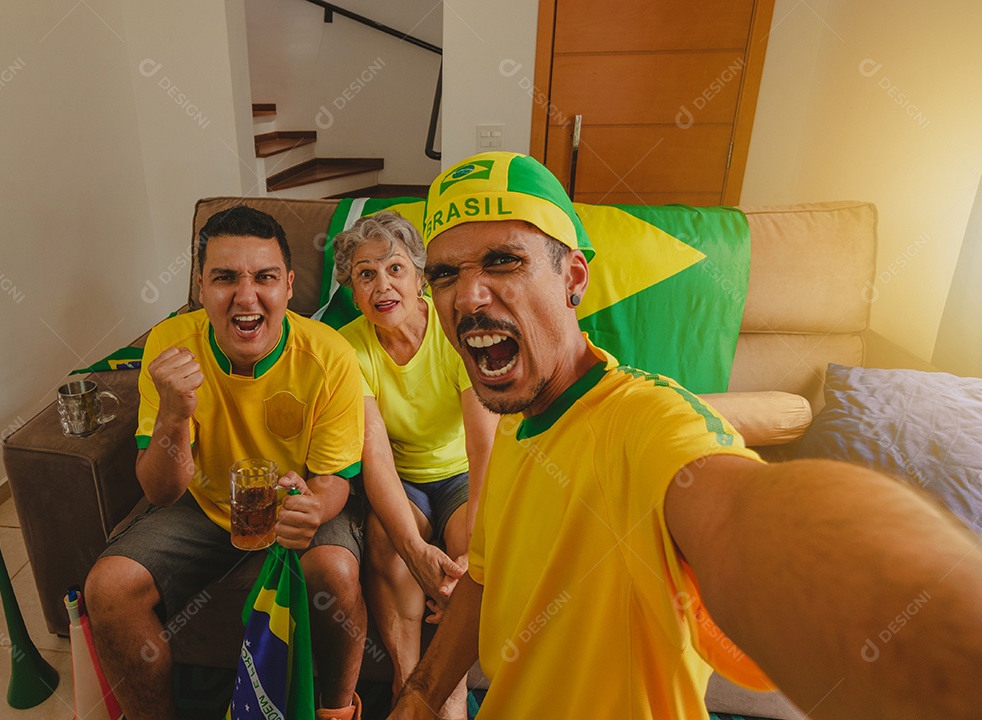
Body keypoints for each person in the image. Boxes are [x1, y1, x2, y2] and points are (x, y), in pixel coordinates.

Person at [388, 151, 982, 720]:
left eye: (502, 261)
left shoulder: (646, 421)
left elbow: (744, 517)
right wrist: (419, 696)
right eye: (444, 275)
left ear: (573, 277)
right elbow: (484, 581)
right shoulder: (515, 424)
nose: (466, 297)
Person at [86, 205, 369, 720]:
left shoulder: (329, 355)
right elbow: (161, 491)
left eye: (264, 278)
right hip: (201, 503)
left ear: (287, 285)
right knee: (108, 587)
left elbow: (333, 479)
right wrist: (174, 412)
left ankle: (335, 712)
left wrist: (313, 505)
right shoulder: (171, 346)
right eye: (224, 278)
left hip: (291, 502)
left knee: (335, 569)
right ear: (200, 288)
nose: (245, 297)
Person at [332, 211, 497, 716]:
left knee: (468, 546)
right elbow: (375, 455)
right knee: (386, 545)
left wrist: (478, 559)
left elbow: (483, 447)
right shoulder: (348, 347)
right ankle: (409, 684)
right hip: (403, 479)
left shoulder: (454, 330)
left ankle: (445, 694)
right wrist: (413, 549)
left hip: (464, 475)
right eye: (366, 274)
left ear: (420, 277)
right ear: (353, 292)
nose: (382, 285)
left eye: (395, 268)